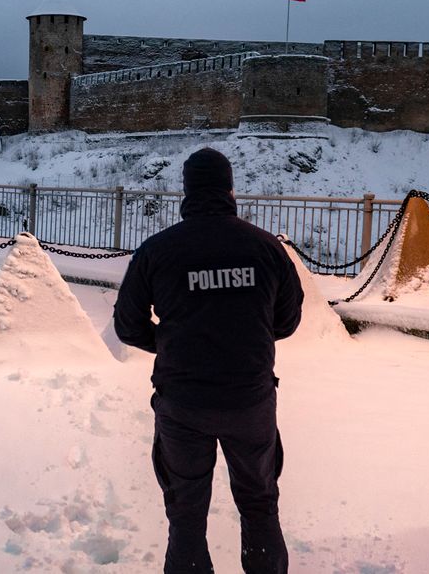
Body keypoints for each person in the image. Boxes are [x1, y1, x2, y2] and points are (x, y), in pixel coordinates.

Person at [114, 147, 303, 573]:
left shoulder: (157, 250)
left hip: (183, 402)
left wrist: (173, 341)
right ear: (230, 189)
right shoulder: (265, 247)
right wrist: (245, 337)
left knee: (186, 515)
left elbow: (128, 326)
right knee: (259, 504)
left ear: (186, 191)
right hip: (250, 399)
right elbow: (288, 320)